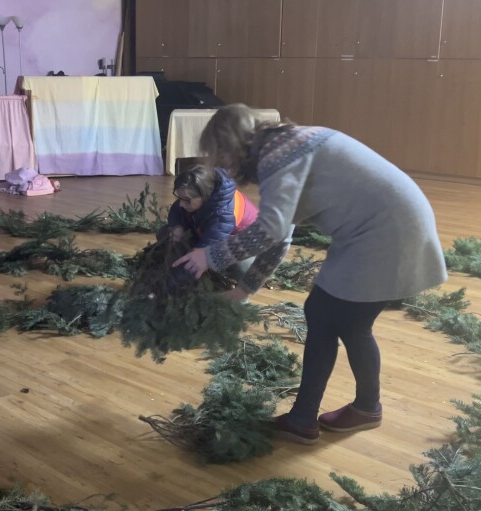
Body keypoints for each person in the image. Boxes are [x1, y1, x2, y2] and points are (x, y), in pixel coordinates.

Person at [173, 104, 447, 445]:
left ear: (232, 144)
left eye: (221, 156)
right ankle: (359, 409)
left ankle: (308, 419)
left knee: (326, 314)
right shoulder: (285, 147)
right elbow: (282, 234)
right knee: (342, 320)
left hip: (384, 233)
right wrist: (244, 289)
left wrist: (209, 256)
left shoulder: (278, 156)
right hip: (390, 225)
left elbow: (269, 230)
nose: (222, 166)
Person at [161, 164, 271, 283]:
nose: (181, 204)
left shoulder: (223, 215)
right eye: (179, 198)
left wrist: (175, 280)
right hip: (212, 234)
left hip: (249, 247)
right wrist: (177, 226)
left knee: (243, 267)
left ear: (205, 197)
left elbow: (206, 250)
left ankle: (240, 291)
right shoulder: (197, 193)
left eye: (186, 200)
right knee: (166, 233)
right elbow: (177, 209)